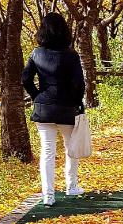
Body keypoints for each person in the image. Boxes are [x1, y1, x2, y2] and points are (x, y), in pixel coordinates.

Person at [22, 12, 86, 205]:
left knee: (47, 151)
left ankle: (48, 196)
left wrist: (37, 97)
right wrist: (75, 101)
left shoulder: (36, 53)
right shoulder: (71, 55)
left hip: (43, 109)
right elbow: (79, 84)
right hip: (67, 108)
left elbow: (25, 79)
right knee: (71, 148)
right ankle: (71, 186)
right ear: (64, 31)